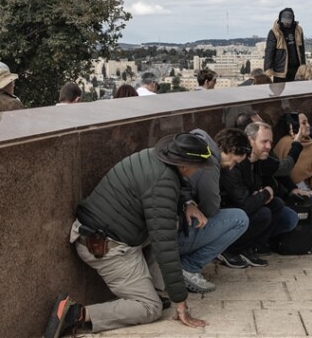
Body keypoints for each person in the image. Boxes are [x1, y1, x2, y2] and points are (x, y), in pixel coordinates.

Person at [42, 133, 213, 338]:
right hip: (106, 246)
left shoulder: (154, 158)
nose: (197, 172)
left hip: (107, 232)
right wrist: (181, 302)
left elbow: (176, 187)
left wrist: (187, 203)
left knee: (171, 223)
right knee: (150, 308)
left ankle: (154, 291)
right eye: (198, 167)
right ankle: (75, 313)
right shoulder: (161, 181)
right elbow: (164, 246)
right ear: (184, 164)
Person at [217, 122, 299, 268]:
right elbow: (244, 204)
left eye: (270, 142)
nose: (268, 146)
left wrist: (265, 192)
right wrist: (265, 194)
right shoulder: (234, 164)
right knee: (264, 213)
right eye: (264, 141)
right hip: (229, 210)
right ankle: (230, 250)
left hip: (248, 204)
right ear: (250, 140)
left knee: (278, 205)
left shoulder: (261, 159)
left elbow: (275, 180)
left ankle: (251, 247)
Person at [180, 128, 252, 292]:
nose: (232, 167)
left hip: (162, 232)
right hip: (173, 236)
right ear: (231, 149)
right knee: (239, 219)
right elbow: (211, 208)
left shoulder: (196, 143)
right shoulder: (209, 163)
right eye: (234, 162)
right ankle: (189, 267)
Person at [264, 8, 306, 82]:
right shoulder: (274, 31)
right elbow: (269, 51)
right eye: (284, 20)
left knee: (297, 91)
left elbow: (301, 49)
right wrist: (267, 68)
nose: (286, 23)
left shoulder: (298, 30)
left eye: (288, 21)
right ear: (280, 19)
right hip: (280, 70)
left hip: (296, 68)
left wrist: (303, 66)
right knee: (280, 92)